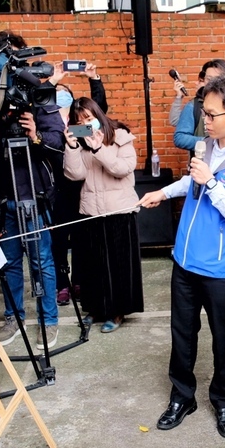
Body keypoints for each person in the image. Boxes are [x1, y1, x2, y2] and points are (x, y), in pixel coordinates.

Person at [138, 73, 225, 439]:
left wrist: (212, 182)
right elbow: (191, 180)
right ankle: (182, 396)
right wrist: (164, 193)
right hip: (185, 260)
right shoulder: (206, 146)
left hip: (221, 269)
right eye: (205, 114)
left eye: (212, 115)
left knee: (223, 337)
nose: (205, 121)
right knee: (182, 333)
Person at [0, 32, 66, 350]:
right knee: (10, 262)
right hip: (3, 196)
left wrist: (35, 134)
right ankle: (13, 317)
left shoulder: (37, 95)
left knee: (41, 260)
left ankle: (49, 321)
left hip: (33, 193)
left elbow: (58, 140)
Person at [63, 98, 143, 333]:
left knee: (118, 265)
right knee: (92, 265)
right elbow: (75, 175)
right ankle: (95, 309)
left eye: (89, 119)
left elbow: (122, 169)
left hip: (119, 210)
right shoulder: (81, 141)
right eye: (80, 122)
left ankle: (117, 312)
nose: (86, 125)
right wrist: (72, 147)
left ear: (98, 115)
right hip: (91, 210)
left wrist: (99, 148)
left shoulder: (120, 136)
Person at [48, 61, 108, 306]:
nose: (61, 98)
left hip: (82, 187)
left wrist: (94, 79)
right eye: (57, 95)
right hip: (58, 189)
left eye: (65, 95)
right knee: (59, 240)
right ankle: (62, 284)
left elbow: (99, 110)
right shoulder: (48, 122)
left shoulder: (79, 125)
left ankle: (79, 281)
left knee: (83, 238)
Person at [173, 59, 225, 152]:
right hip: (202, 162)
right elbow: (180, 138)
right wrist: (208, 142)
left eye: (218, 79)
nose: (213, 83)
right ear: (204, 80)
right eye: (209, 79)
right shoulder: (193, 106)